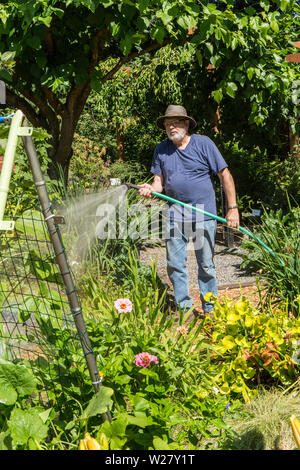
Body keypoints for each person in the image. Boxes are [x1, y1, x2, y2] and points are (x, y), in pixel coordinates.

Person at [138, 105, 240, 317]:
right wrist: (150, 189)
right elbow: (159, 183)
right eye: (167, 124)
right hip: (175, 213)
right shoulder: (161, 149)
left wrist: (233, 208)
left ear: (186, 124)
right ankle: (184, 308)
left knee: (206, 264)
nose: (171, 127)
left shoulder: (203, 143)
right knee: (175, 264)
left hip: (205, 214)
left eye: (175, 122)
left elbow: (225, 175)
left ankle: (210, 308)